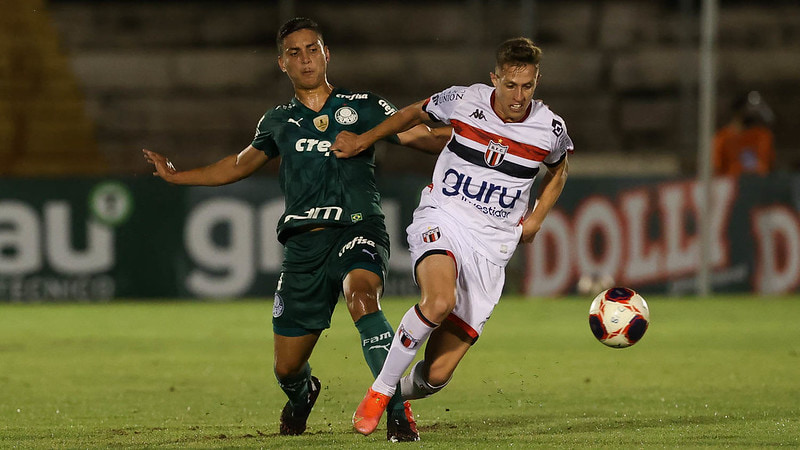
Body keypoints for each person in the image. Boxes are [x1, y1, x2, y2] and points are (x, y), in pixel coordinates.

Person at [142, 17, 449, 441]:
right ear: (282, 63)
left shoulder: (363, 106)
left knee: (362, 298)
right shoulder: (277, 121)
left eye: (312, 49)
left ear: (327, 54)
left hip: (358, 229)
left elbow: (424, 137)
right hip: (303, 247)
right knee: (286, 367)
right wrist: (178, 177)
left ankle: (396, 412)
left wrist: (485, 134)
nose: (305, 59)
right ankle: (303, 393)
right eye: (294, 53)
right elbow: (237, 165)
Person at [331, 37, 572, 436]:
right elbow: (412, 113)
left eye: (527, 86)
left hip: (492, 247)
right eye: (510, 85)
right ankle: (380, 390)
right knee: (439, 301)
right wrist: (362, 140)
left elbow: (560, 170)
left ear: (537, 81)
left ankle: (396, 395)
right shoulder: (464, 99)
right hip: (444, 217)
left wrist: (536, 218)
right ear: (494, 78)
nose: (517, 96)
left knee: (437, 375)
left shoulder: (550, 127)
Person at [713, 91, 775, 176]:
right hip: (733, 185)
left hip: (759, 185)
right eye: (748, 110)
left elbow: (768, 165)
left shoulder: (762, 135)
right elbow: (716, 169)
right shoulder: (722, 138)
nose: (752, 114)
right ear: (738, 111)